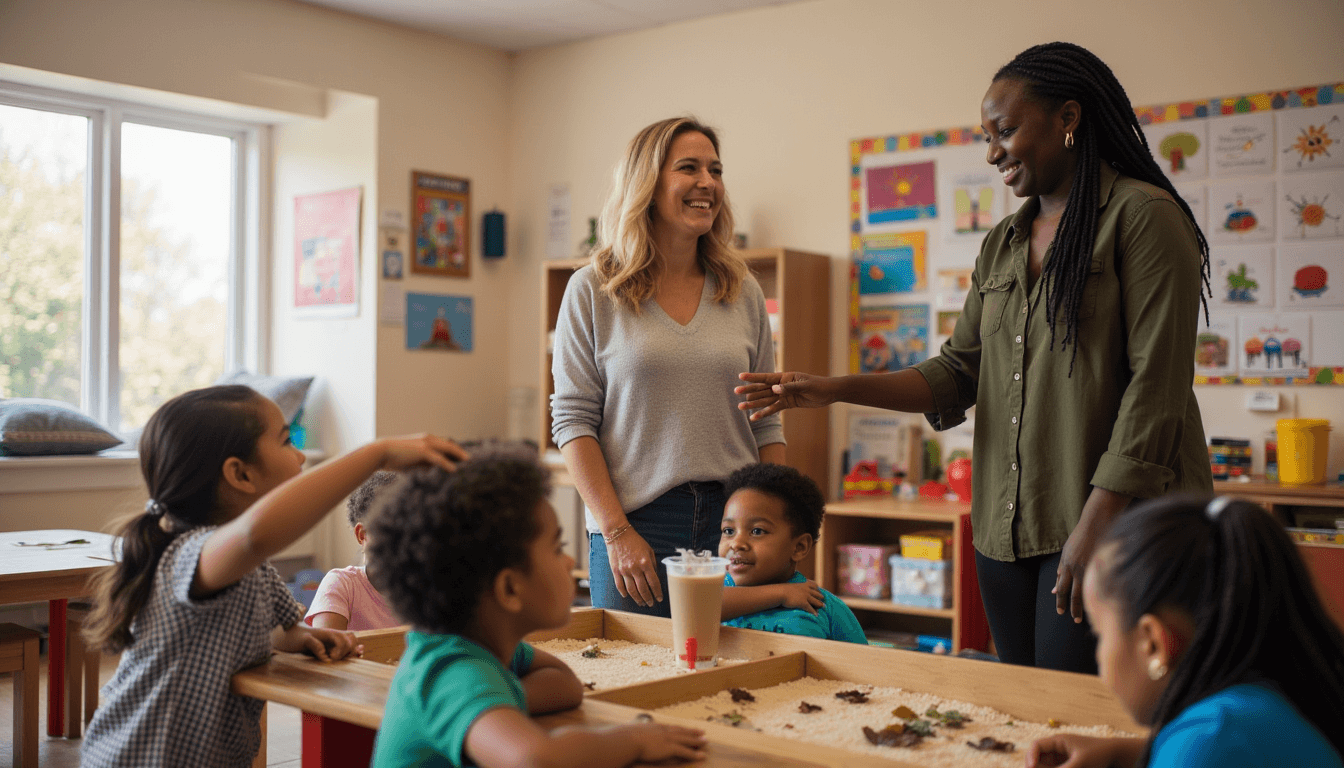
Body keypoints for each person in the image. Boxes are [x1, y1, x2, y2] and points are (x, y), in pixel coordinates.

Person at [737, 42, 1214, 673]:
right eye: (986, 136)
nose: (992, 152)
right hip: (1005, 529)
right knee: (1026, 707)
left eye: (1006, 131)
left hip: (1112, 522)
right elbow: (958, 372)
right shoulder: (1003, 244)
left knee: (1096, 714)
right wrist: (829, 388)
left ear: (1068, 118)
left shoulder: (1143, 218)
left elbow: (1158, 388)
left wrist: (1096, 524)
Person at [80, 385, 467, 767]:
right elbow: (252, 535)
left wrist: (305, 637)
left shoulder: (254, 566)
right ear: (240, 474)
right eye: (285, 441)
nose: (300, 455)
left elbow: (282, 629)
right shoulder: (188, 553)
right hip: (140, 756)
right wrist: (376, 453)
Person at [550, 116, 785, 617]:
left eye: (715, 170)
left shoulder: (742, 290)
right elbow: (573, 422)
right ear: (647, 184)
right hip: (635, 523)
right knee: (633, 680)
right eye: (689, 168)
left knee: (734, 681)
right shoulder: (592, 289)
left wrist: (780, 520)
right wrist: (615, 531)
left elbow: (766, 420)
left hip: (734, 523)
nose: (708, 183)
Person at [366, 448, 708, 768]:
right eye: (557, 548)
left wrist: (501, 702)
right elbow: (533, 759)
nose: (570, 560)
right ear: (510, 588)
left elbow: (566, 686)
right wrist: (632, 739)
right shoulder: (453, 672)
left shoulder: (483, 649)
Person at [1026, 495, 1344, 768]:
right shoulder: (1272, 696)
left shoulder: (1209, 741)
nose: (1099, 653)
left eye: (1100, 635)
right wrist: (1125, 752)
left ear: (1152, 643)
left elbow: (1208, 748)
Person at [719, 463, 867, 644]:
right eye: (728, 531)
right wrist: (781, 593)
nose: (736, 543)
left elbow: (864, 665)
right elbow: (702, 605)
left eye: (757, 531)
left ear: (799, 547)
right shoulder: (719, 590)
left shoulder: (821, 605)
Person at [306, 470, 400, 630]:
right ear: (363, 535)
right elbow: (327, 649)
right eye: (392, 531)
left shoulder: (426, 590)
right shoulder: (342, 585)